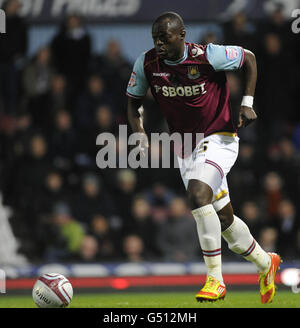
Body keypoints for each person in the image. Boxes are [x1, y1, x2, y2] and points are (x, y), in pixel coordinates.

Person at [126, 12, 281, 304]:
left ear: (182, 35)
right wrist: (139, 133)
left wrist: (247, 102)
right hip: (185, 147)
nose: (159, 43)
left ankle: (215, 280)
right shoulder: (147, 64)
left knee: (198, 196)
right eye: (155, 38)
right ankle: (265, 263)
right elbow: (133, 103)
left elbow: (248, 58)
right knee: (225, 222)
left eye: (165, 37)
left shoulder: (207, 56)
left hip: (220, 137)